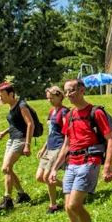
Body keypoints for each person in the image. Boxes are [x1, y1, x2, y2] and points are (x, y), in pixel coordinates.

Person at [48, 79, 112, 222]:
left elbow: (110, 139)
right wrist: (54, 168)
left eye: (71, 91)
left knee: (75, 205)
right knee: (68, 208)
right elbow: (67, 143)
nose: (68, 94)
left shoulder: (96, 112)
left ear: (81, 90)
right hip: (72, 162)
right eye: (66, 91)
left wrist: (108, 165)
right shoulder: (69, 115)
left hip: (89, 161)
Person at [0, 82, 34, 210]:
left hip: (20, 140)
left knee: (6, 168)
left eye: (2, 95)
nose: (0, 98)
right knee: (6, 169)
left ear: (11, 94)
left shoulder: (22, 106)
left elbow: (30, 124)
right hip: (12, 139)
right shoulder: (11, 106)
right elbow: (15, 124)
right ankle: (22, 194)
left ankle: (7, 199)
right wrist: (4, 132)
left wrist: (27, 144)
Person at [35, 86, 69, 214]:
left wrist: (65, 148)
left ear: (60, 96)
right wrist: (43, 148)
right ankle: (68, 186)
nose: (50, 101)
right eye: (48, 99)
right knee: (39, 177)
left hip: (58, 147)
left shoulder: (64, 112)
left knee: (47, 177)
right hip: (49, 146)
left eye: (52, 98)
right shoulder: (51, 112)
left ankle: (53, 205)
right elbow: (51, 132)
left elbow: (67, 131)